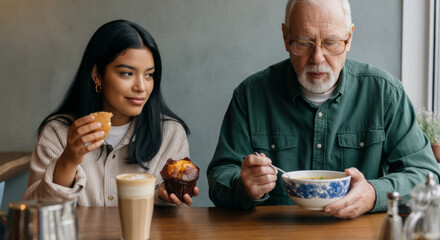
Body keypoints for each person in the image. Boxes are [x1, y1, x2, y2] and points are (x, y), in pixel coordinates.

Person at [207, 0, 440, 218]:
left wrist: (373, 194)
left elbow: (425, 176)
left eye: (331, 42)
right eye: (304, 42)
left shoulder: (385, 94)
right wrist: (244, 186)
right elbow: (220, 177)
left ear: (349, 38)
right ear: (286, 37)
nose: (317, 58)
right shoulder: (250, 95)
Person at [23, 19, 198, 207]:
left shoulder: (170, 134)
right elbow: (36, 213)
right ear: (97, 74)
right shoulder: (57, 133)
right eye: (127, 73)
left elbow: (173, 224)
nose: (141, 87)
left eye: (149, 75)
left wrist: (164, 198)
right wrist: (68, 160)